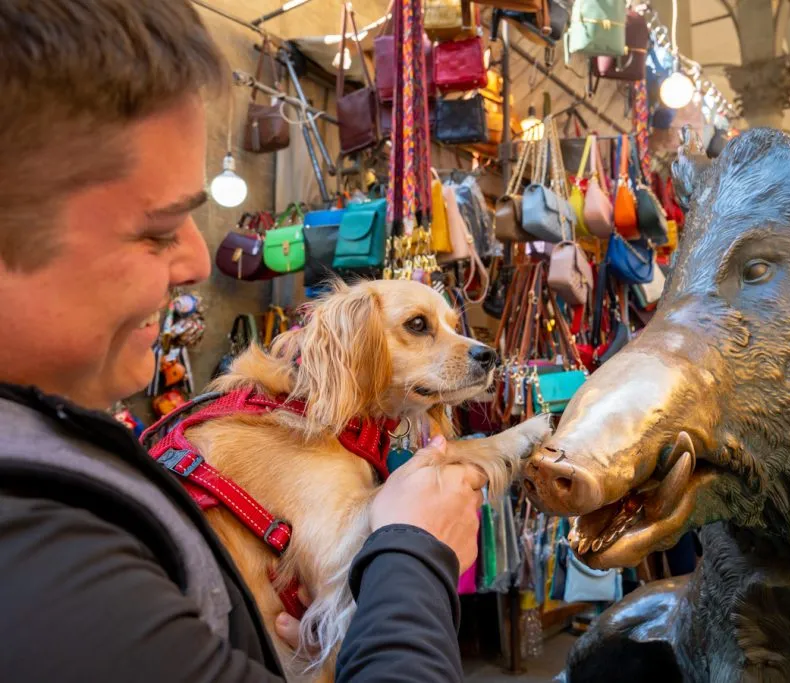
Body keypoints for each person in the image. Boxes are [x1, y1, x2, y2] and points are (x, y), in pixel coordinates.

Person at [0, 2, 481, 681]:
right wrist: (412, 557)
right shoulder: (41, 555)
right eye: (157, 227)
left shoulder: (54, 464)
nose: (199, 259)